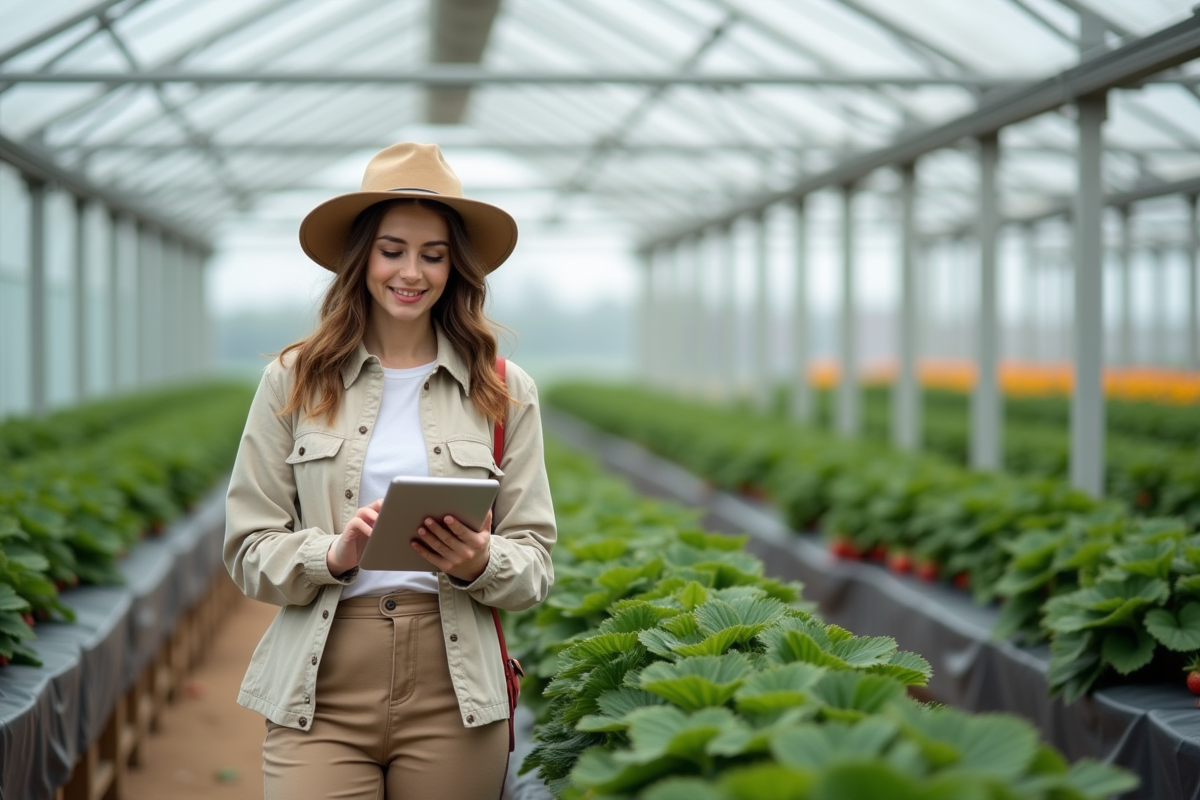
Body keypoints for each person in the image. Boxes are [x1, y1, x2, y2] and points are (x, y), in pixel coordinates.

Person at [223, 142, 556, 800]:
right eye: (393, 250)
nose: (412, 272)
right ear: (361, 259)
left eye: (433, 255)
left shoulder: (502, 389)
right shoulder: (293, 382)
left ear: (455, 267)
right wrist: (334, 552)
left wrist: (479, 561)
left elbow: (537, 565)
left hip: (455, 689)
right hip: (320, 689)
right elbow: (246, 549)